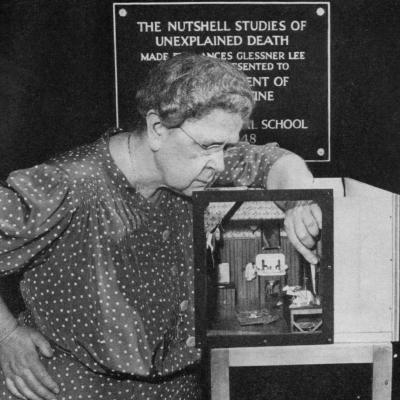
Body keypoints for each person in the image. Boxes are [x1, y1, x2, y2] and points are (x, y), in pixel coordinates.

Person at [0, 53, 321, 400]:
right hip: (71, 386)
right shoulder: (69, 183)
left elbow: (272, 160)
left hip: (176, 385)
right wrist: (6, 335)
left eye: (225, 147)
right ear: (157, 129)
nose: (219, 162)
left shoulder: (190, 167)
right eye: (209, 146)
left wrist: (300, 201)